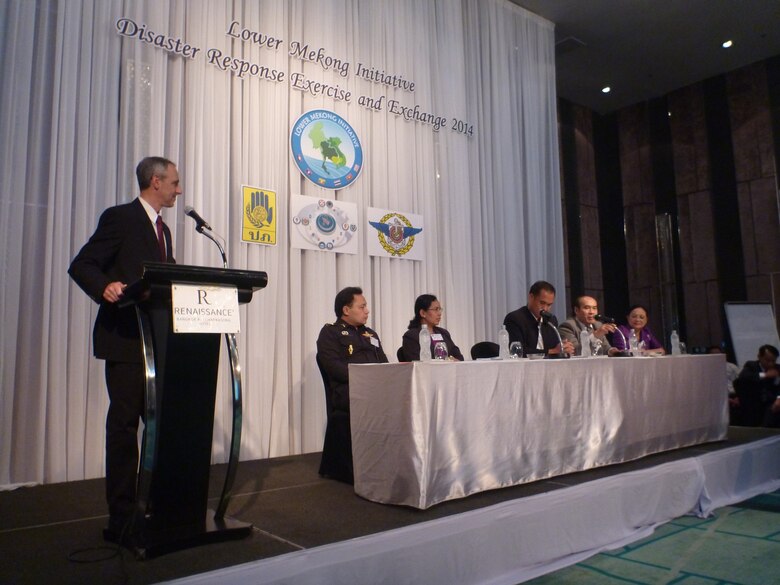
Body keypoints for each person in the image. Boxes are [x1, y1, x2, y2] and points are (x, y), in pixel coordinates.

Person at [68, 156, 180, 542]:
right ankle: (122, 517)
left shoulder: (164, 231)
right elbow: (82, 264)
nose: (178, 190)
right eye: (174, 183)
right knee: (124, 426)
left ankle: (157, 505)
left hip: (159, 340)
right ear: (155, 181)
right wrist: (105, 287)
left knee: (161, 427)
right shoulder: (120, 217)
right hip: (126, 339)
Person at [316, 287, 388, 483]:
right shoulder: (330, 332)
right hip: (349, 391)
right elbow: (334, 367)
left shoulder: (370, 333)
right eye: (362, 306)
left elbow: (384, 364)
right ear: (346, 310)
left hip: (375, 390)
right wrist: (367, 380)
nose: (367, 311)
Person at [503, 280, 573, 357]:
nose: (545, 309)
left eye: (549, 305)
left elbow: (555, 348)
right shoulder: (515, 319)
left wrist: (564, 348)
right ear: (531, 297)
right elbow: (517, 350)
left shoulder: (551, 320)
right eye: (542, 303)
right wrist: (552, 351)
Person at [401, 294, 464, 361]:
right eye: (436, 309)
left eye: (440, 309)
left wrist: (450, 360)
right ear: (423, 313)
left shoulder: (444, 333)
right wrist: (446, 361)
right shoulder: (411, 336)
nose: (439, 313)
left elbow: (459, 357)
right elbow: (417, 363)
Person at [734, 344, 780, 427]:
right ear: (759, 357)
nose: (771, 364)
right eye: (767, 360)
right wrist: (765, 375)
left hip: (771, 401)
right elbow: (744, 377)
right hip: (754, 401)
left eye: (773, 361)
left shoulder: (777, 369)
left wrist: (779, 398)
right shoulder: (751, 365)